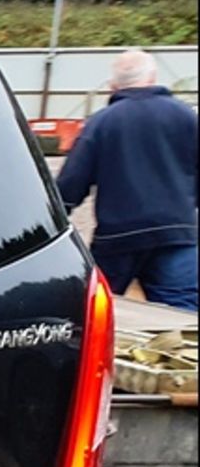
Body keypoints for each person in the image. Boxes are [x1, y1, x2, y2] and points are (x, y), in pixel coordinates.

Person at [55, 48, 198, 311]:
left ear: (113, 86)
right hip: (176, 234)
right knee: (182, 314)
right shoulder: (187, 117)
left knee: (96, 309)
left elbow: (73, 181)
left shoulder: (101, 123)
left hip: (118, 238)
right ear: (154, 77)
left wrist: (55, 216)